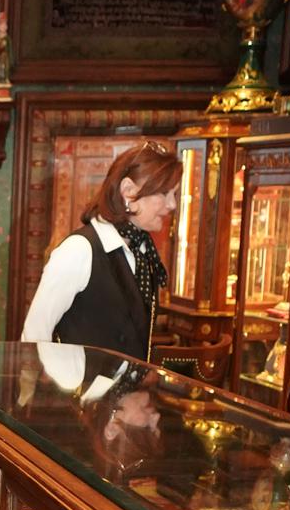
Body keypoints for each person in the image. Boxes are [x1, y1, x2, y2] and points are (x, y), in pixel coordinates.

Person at [21, 138, 182, 361]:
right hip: (79, 395)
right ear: (128, 192)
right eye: (164, 194)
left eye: (174, 194)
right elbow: (35, 335)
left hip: (129, 395)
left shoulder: (144, 251)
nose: (172, 205)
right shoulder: (79, 250)